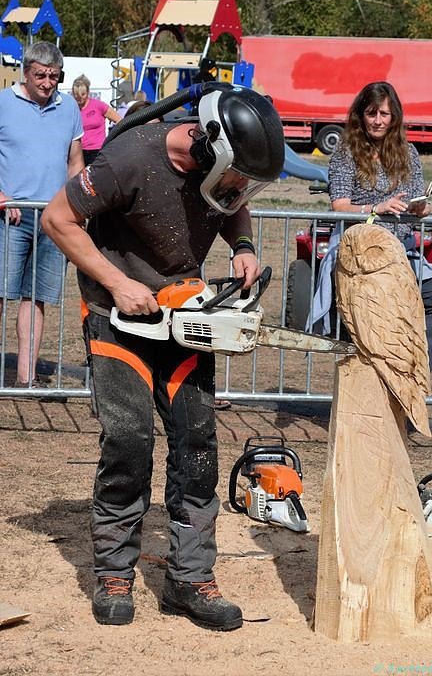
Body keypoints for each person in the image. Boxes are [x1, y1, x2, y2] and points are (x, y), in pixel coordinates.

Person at [41, 83, 285, 629]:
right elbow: (57, 219)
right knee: (129, 439)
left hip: (183, 314)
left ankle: (190, 577)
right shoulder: (128, 159)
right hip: (117, 317)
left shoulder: (222, 173)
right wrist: (117, 281)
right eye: (234, 173)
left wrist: (242, 247)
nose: (238, 187)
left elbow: (233, 204)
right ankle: (113, 572)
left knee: (198, 442)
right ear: (208, 146)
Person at [323, 81, 432, 370]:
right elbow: (339, 205)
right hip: (362, 252)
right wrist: (376, 208)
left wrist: (421, 207)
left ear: (395, 117)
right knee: (377, 321)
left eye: (385, 114)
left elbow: (419, 201)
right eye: (372, 113)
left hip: (402, 252)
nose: (378, 121)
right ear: (361, 116)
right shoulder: (345, 153)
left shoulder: (408, 153)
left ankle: (408, 366)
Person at [0, 41, 84, 388]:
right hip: (10, 216)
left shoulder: (69, 109)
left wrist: (77, 204)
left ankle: (26, 378)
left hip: (55, 220)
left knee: (37, 298)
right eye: (41, 75)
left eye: (54, 76)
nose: (48, 83)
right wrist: (2, 197)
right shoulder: (3, 102)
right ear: (26, 71)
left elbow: (75, 160)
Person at [72, 75, 122, 165]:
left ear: (88, 92)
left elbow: (119, 120)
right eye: (76, 95)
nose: (79, 98)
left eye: (83, 94)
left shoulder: (98, 105)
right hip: (78, 151)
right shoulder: (72, 109)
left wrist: (112, 139)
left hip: (97, 150)